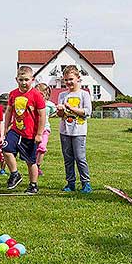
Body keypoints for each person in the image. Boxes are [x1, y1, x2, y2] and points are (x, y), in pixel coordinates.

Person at [2, 66, 46, 194]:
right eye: (21, 80)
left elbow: (42, 115)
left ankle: (33, 185)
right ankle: (15, 174)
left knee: (30, 161)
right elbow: (9, 110)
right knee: (6, 148)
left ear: (32, 79)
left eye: (26, 80)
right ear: (17, 79)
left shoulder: (37, 95)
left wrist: (39, 134)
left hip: (30, 134)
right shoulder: (13, 94)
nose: (24, 83)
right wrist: (6, 127)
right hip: (15, 130)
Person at [57, 65, 92, 193]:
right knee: (68, 158)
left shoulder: (84, 94)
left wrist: (71, 108)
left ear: (78, 78)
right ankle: (70, 183)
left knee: (80, 158)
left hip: (79, 131)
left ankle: (85, 183)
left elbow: (87, 112)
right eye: (66, 80)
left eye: (71, 79)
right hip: (65, 131)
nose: (68, 82)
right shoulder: (62, 95)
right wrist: (60, 111)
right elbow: (60, 116)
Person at [34, 83, 56, 176]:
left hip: (45, 129)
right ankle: (33, 166)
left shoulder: (50, 105)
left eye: (42, 94)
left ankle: (38, 166)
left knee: (42, 148)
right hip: (34, 130)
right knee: (34, 149)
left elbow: (54, 112)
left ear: (46, 95)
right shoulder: (34, 103)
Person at [0, 94, 9, 175]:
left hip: (6, 136)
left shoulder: (10, 114)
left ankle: (2, 169)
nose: (6, 106)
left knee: (4, 153)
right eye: (4, 104)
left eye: (8, 104)